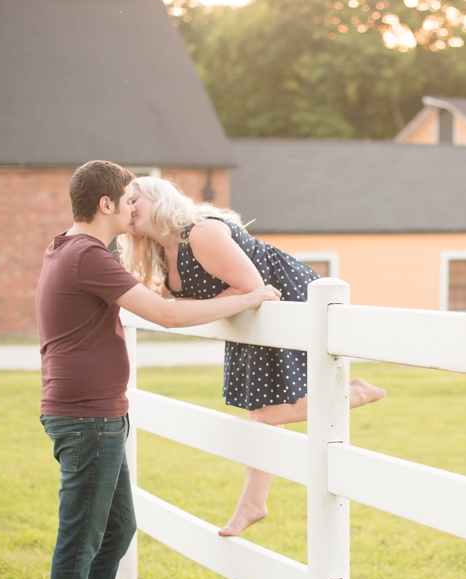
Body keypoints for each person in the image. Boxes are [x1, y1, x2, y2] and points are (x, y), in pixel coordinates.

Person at [36, 160, 280, 579]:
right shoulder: (87, 256)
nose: (134, 208)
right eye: (128, 200)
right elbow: (165, 314)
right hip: (87, 419)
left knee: (118, 528)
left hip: (98, 415)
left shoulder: (70, 247)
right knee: (80, 539)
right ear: (106, 205)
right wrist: (248, 297)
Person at [121, 176, 387, 537]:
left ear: (158, 199)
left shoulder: (200, 234)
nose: (128, 207)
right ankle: (253, 503)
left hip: (283, 300)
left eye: (133, 199)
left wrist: (190, 309)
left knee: (268, 411)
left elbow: (252, 285)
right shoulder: (158, 253)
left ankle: (355, 393)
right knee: (260, 412)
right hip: (247, 316)